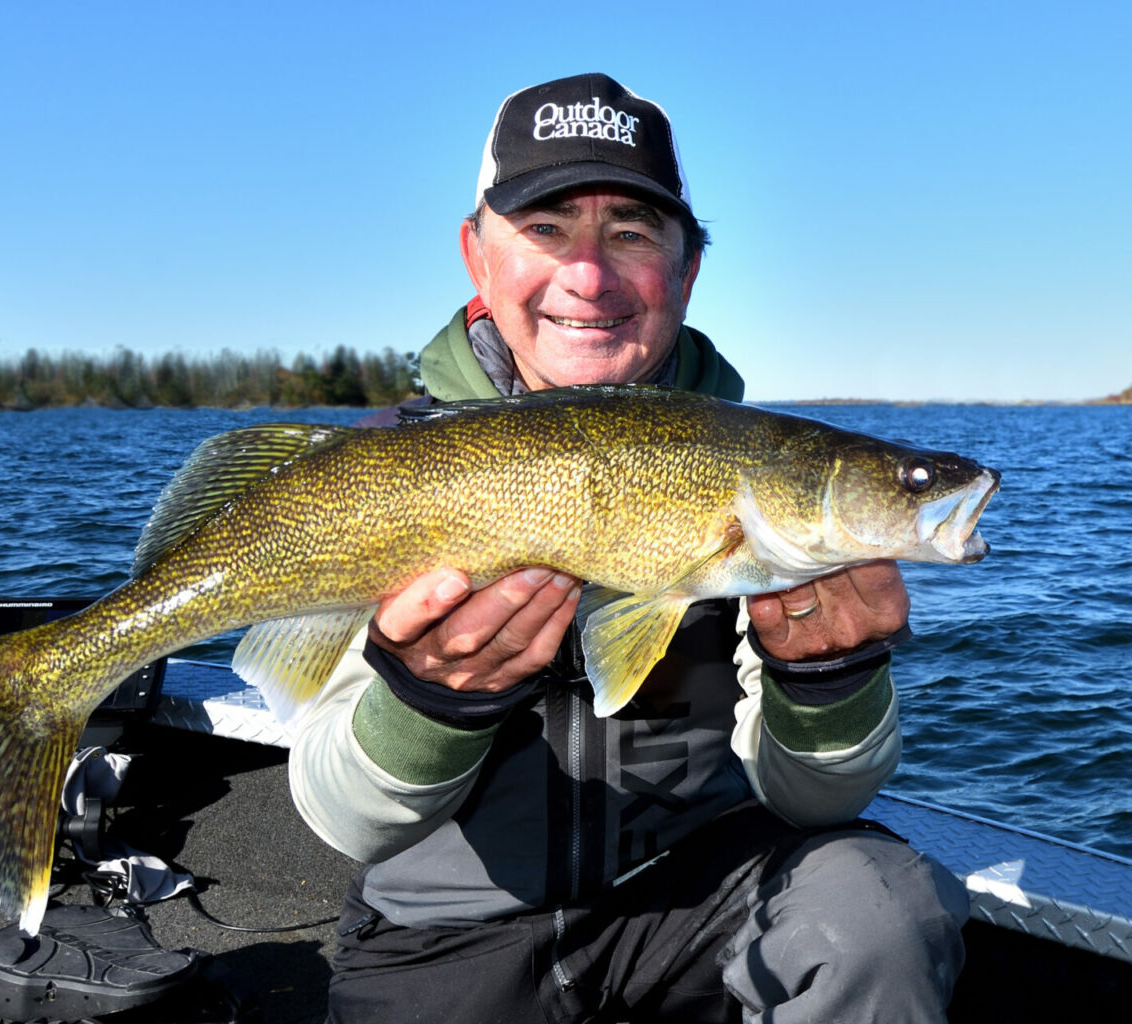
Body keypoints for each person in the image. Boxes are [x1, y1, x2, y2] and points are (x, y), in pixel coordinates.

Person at [287, 73, 970, 1023]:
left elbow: (820, 801)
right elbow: (342, 819)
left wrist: (833, 676)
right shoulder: (379, 467)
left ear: (686, 273)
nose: (589, 275)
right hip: (445, 934)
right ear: (476, 258)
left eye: (633, 234)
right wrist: (428, 699)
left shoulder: (754, 473)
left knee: (879, 911)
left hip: (701, 898)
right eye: (546, 228)